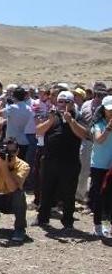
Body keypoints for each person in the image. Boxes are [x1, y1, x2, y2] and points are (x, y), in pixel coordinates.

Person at [33, 90, 88, 230]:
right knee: (46, 190)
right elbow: (38, 131)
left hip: (70, 162)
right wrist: (50, 120)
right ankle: (42, 218)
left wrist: (71, 121)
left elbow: (83, 134)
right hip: (50, 160)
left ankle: (68, 221)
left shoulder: (77, 116)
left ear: (72, 103)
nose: (63, 105)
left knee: (68, 193)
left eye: (66, 102)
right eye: (60, 102)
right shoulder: (52, 115)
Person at [75, 82, 108, 203]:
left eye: (102, 94)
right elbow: (81, 121)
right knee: (84, 169)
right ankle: (80, 195)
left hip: (103, 142)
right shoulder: (85, 105)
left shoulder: (107, 107)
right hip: (87, 140)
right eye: (97, 93)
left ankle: (96, 197)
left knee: (99, 171)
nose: (99, 97)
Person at [87, 95, 112, 237]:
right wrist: (108, 129)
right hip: (99, 165)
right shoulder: (99, 124)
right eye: (109, 110)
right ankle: (97, 225)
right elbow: (99, 140)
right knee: (99, 195)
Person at [0, 87, 32, 160]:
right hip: (23, 140)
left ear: (14, 96)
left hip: (11, 141)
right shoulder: (29, 108)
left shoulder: (12, 108)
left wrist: (0, 103)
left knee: (9, 164)